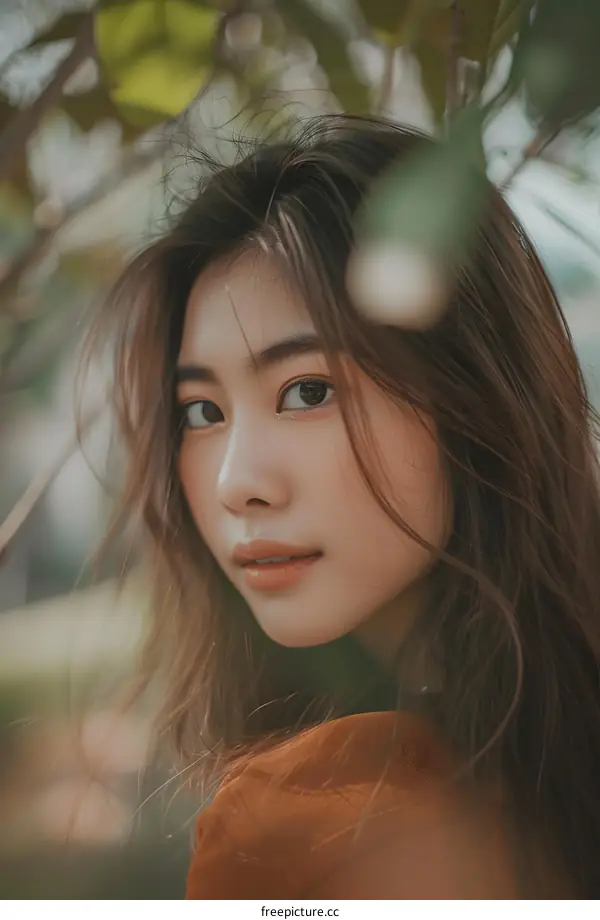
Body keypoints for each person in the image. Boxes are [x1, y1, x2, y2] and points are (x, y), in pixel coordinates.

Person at [80, 114, 600, 898]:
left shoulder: (293, 837)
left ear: (478, 394)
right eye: (200, 411)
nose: (234, 482)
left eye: (307, 391)